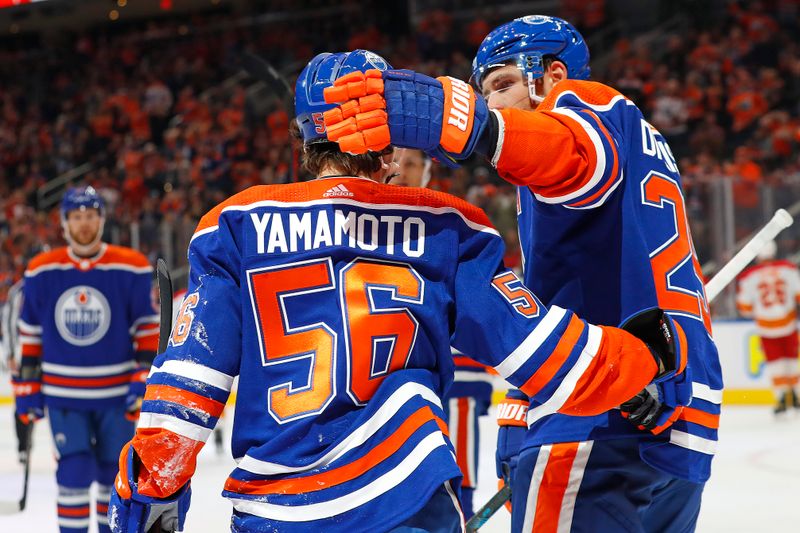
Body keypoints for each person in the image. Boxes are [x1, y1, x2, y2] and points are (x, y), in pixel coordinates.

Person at [107, 50, 681, 533]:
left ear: (304, 139)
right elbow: (543, 355)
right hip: (406, 499)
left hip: (274, 510)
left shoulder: (233, 225)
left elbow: (187, 383)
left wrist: (149, 492)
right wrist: (643, 356)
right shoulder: (449, 226)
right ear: (391, 138)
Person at [322, 15, 722, 532]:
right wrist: (522, 407)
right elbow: (574, 287)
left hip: (603, 406)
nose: (493, 103)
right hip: (678, 412)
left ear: (551, 75)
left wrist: (469, 123)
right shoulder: (644, 146)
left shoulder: (588, 106)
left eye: (503, 84)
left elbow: (571, 154)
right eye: (485, 94)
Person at [13, 186, 159, 533]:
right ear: (64, 223)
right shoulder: (42, 271)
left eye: (90, 216)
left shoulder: (131, 267)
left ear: (102, 219)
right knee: (73, 473)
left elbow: (147, 330)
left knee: (114, 474)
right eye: (76, 217)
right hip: (65, 397)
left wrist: (142, 379)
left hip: (116, 394)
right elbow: (30, 332)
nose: (83, 224)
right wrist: (28, 387)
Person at [393, 148, 497, 517]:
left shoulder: (447, 223)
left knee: (455, 483)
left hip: (452, 381)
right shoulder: (361, 218)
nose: (402, 171)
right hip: (382, 384)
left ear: (426, 172)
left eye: (412, 164)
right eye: (397, 162)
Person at [737, 240, 800, 414]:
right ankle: (795, 394)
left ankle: (781, 397)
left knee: (775, 363)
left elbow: (744, 308)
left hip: (766, 327)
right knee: (792, 360)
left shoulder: (748, 276)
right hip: (788, 323)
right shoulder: (788, 268)